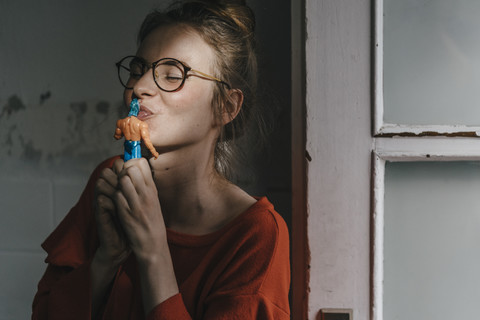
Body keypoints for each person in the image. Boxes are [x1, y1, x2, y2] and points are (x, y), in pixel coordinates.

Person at [32, 0, 290, 319]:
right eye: (137, 70)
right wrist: (107, 258)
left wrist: (153, 253)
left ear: (226, 106)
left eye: (172, 75)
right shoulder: (110, 182)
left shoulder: (255, 234)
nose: (139, 87)